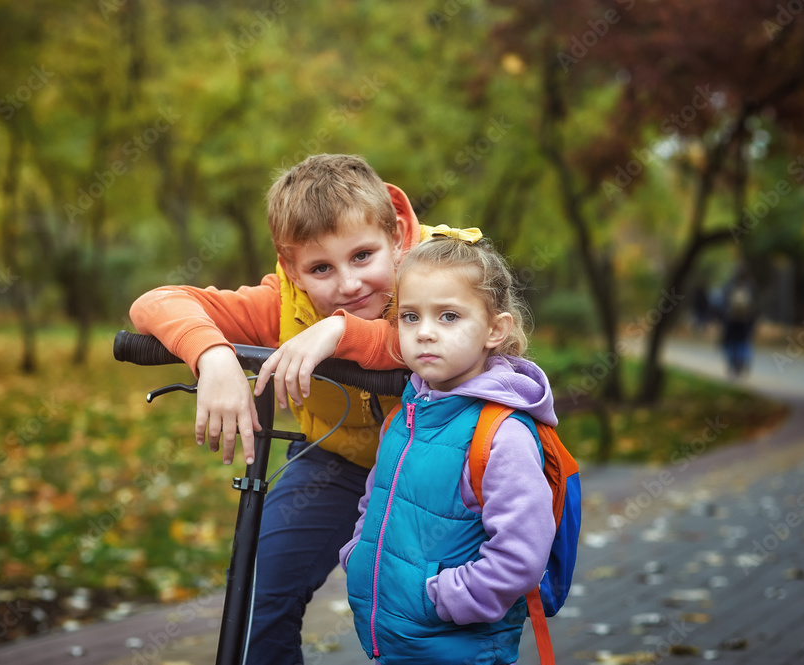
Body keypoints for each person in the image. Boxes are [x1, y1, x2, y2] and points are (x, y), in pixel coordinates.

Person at [129, 154, 422, 665]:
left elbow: (453, 341)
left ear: (396, 238)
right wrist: (213, 354)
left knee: (414, 611)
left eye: (363, 256)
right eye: (321, 268)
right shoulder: (284, 302)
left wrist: (339, 330)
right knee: (258, 586)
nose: (349, 285)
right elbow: (156, 302)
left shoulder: (442, 269)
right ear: (291, 268)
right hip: (341, 459)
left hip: (438, 467)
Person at [340, 236, 556, 665]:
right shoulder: (404, 416)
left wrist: (444, 598)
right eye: (409, 316)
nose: (424, 332)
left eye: (449, 316)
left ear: (495, 329)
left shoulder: (500, 434)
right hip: (394, 643)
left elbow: (521, 554)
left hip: (459, 648)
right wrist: (359, 556)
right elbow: (374, 502)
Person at [720, 266, 758, 377]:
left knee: (731, 343)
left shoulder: (729, 286)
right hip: (746, 320)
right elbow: (756, 306)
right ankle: (742, 362)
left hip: (731, 320)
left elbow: (723, 304)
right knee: (744, 341)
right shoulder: (751, 286)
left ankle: (732, 364)